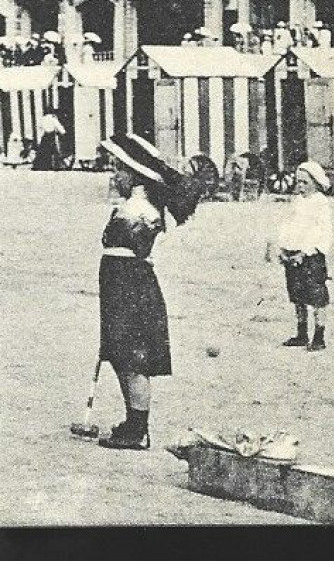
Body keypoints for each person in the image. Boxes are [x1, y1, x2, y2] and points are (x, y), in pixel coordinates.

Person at [93, 133, 201, 450]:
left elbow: (127, 244)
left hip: (130, 286)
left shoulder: (140, 208)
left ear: (135, 174)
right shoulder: (134, 205)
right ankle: (132, 420)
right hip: (121, 284)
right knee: (121, 356)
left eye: (119, 169)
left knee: (133, 357)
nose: (115, 176)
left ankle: (139, 429)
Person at [269, 161, 334, 351]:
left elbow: (322, 231)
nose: (301, 186)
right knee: (297, 294)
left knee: (316, 296)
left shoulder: (320, 202)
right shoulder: (297, 201)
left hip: (311, 256)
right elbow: (288, 224)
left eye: (305, 182)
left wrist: (305, 252)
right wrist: (282, 247)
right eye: (298, 182)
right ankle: (301, 333)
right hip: (292, 254)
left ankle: (319, 337)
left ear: (315, 182)